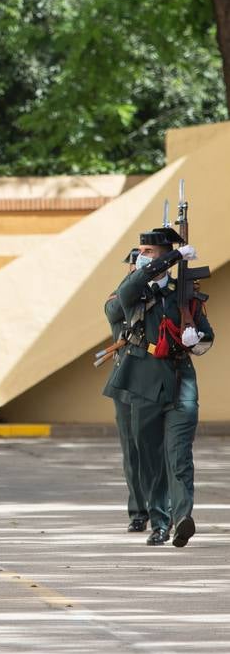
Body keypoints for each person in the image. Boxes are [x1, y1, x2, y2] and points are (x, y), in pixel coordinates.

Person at [109, 227, 212, 547]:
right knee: (150, 458)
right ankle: (158, 521)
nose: (141, 256)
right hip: (142, 381)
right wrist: (172, 256)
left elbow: (208, 336)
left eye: (148, 252)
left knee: (179, 456)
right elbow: (134, 284)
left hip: (181, 380)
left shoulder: (186, 293)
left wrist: (197, 342)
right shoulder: (131, 292)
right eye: (139, 251)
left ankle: (182, 517)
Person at [101, 249, 149, 533]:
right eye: (135, 263)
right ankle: (138, 511)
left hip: (156, 379)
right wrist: (137, 279)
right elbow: (116, 310)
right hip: (127, 381)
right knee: (132, 451)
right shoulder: (117, 296)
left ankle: (162, 506)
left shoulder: (159, 292)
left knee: (158, 449)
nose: (139, 266)